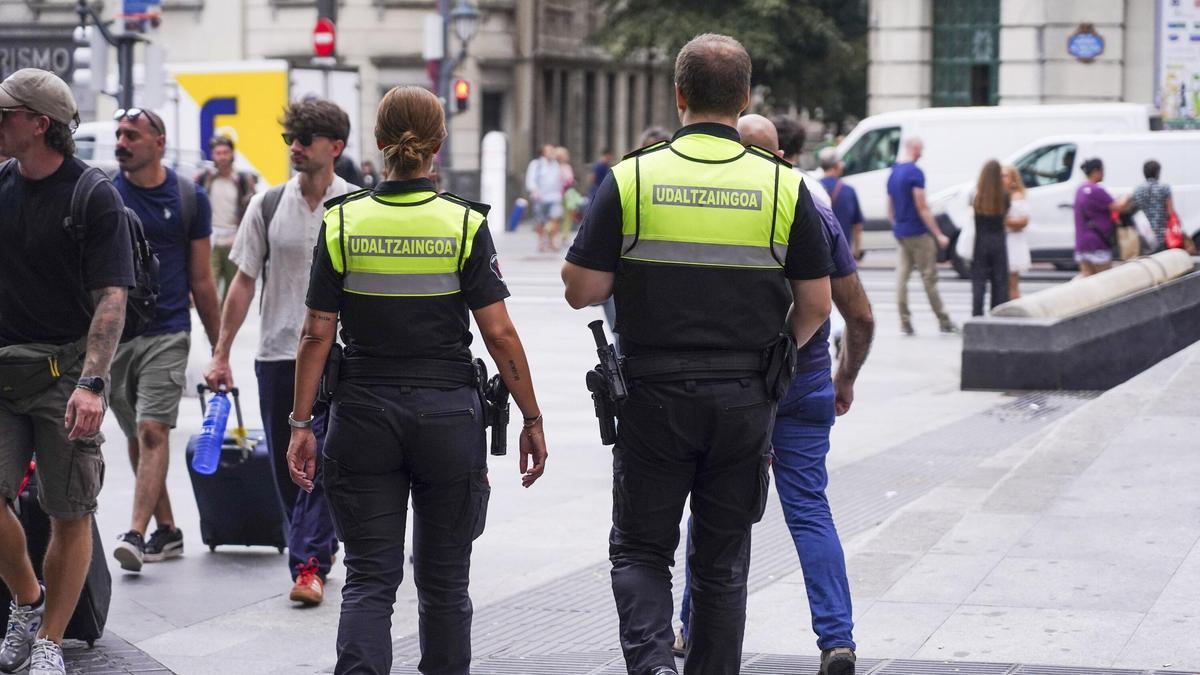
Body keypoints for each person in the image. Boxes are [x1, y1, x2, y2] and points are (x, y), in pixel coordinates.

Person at [563, 34, 834, 675]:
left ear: (678, 94)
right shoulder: (782, 186)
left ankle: (653, 664)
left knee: (638, 549)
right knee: (721, 559)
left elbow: (581, 290)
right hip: (745, 399)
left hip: (652, 395)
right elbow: (818, 306)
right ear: (744, 100)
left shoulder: (631, 177)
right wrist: (776, 357)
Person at [287, 85, 548, 675]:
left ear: (378, 144)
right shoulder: (462, 223)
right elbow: (499, 334)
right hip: (449, 418)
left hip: (361, 416)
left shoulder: (344, 222)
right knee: (445, 585)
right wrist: (531, 418)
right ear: (438, 144)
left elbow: (315, 335)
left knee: (369, 583)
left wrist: (302, 423)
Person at [674, 113, 874, 675]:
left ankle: (690, 626)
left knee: (711, 506)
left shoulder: (712, 210)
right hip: (806, 382)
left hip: (736, 385)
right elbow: (858, 314)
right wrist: (846, 377)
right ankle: (837, 639)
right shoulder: (816, 213)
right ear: (783, 155)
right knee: (810, 510)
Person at [0, 68, 132, 675]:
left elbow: (111, 297)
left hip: (65, 374)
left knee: (69, 509)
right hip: (3, 370)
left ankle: (51, 639)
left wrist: (92, 383)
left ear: (39, 124)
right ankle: (29, 601)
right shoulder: (1, 184)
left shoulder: (92, 194)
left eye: (6, 115)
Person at [204, 99, 358, 606]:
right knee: (288, 472)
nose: (295, 147)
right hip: (278, 355)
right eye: (290, 138)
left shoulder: (358, 206)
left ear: (334, 147)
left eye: (306, 139)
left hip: (339, 358)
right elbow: (243, 282)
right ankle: (318, 545)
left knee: (326, 459)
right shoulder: (267, 204)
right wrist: (221, 353)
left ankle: (308, 563)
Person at [109, 108, 221, 572]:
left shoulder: (190, 199)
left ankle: (135, 533)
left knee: (153, 430)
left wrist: (222, 350)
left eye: (131, 135)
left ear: (159, 142)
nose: (121, 141)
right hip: (114, 335)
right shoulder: (105, 196)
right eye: (118, 134)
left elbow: (202, 279)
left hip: (169, 330)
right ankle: (168, 530)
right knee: (137, 435)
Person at [887, 137, 956, 335]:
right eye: (921, 150)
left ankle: (905, 322)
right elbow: (922, 206)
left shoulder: (894, 172)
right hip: (918, 232)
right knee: (929, 277)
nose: (922, 154)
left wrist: (896, 225)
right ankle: (944, 320)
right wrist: (938, 234)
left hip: (901, 232)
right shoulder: (915, 173)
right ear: (914, 148)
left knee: (902, 277)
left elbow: (889, 206)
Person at [196, 135, 256, 304]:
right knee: (209, 290)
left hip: (234, 241)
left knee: (232, 291)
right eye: (218, 153)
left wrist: (242, 236)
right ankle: (214, 327)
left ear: (232, 154)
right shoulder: (204, 180)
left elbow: (252, 212)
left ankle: (226, 327)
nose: (222, 157)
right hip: (211, 241)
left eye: (225, 152)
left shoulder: (243, 181)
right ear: (213, 155)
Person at [1073, 158, 1130, 277]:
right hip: (1097, 245)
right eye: (1103, 170)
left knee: (1087, 283)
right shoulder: (1096, 190)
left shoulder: (1080, 190)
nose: (1104, 173)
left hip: (1082, 246)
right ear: (1096, 171)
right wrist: (1127, 197)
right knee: (1104, 283)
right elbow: (1118, 206)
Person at [970, 160, 1010, 316]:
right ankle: (997, 314)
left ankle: (977, 315)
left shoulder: (977, 196)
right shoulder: (1004, 196)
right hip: (999, 242)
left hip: (981, 242)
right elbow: (1005, 216)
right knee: (999, 282)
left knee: (978, 283)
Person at [818, 147, 865, 260]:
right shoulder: (848, 191)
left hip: (819, 257)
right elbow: (857, 226)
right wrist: (856, 252)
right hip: (842, 257)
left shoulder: (813, 187)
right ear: (837, 165)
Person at [525, 144, 564, 252]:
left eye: (552, 150)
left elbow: (559, 180)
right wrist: (534, 191)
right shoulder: (536, 164)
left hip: (555, 197)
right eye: (549, 151)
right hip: (541, 197)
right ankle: (541, 242)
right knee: (540, 221)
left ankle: (552, 241)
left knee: (555, 218)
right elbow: (530, 179)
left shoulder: (556, 164)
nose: (552, 153)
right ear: (543, 152)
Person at [1131, 160, 1175, 253]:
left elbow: (1133, 211)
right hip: (1161, 235)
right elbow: (1170, 212)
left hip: (1144, 235)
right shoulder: (1164, 188)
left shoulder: (1137, 190)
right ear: (1157, 172)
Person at [1002, 165, 1031, 300]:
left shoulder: (1017, 197)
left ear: (1013, 179)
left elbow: (1023, 221)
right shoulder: (1002, 195)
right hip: (1006, 240)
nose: (1001, 179)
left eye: (1005, 176)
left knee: (1012, 282)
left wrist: (1003, 221)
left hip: (1013, 242)